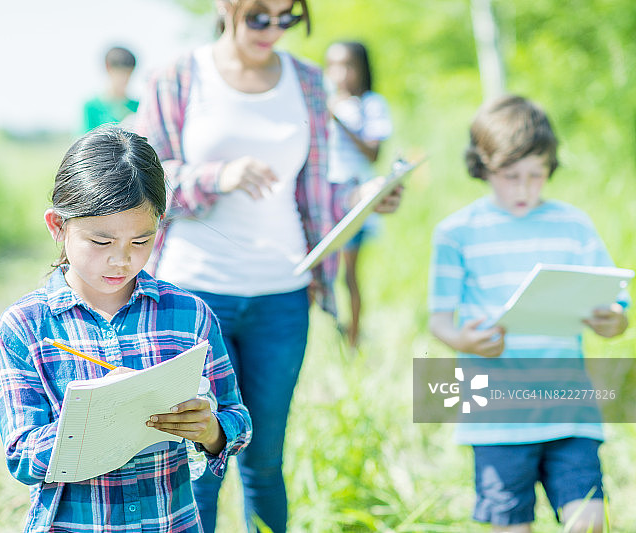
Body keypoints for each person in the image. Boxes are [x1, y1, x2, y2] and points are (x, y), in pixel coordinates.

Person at [134, 1, 400, 531]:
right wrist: (218, 175)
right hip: (194, 293)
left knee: (264, 458)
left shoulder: (307, 79)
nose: (273, 29)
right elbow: (147, 182)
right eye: (260, 16)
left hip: (283, 294)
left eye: (287, 18)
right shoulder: (178, 77)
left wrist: (364, 195)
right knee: (196, 461)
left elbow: (318, 187)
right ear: (226, 7)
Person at [0, 126, 251, 532]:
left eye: (140, 241)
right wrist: (94, 420)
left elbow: (237, 418)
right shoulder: (25, 327)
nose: (121, 260)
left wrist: (212, 430)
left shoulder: (189, 316)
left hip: (171, 521)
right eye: (100, 241)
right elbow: (21, 455)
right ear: (58, 226)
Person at [428, 94, 629, 533]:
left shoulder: (573, 224)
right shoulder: (457, 233)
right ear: (482, 167)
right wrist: (463, 340)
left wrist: (614, 319)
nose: (523, 189)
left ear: (550, 167)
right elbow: (439, 320)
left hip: (569, 410)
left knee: (590, 521)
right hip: (496, 418)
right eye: (510, 176)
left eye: (536, 175)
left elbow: (615, 302)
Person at [324, 40, 393, 347]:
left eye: (348, 65)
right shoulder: (325, 100)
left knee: (348, 274)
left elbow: (373, 153)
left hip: (356, 199)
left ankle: (353, 339)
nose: (341, 73)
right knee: (320, 273)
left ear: (362, 68)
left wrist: (338, 120)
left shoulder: (370, 104)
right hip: (324, 200)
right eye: (334, 66)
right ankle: (336, 330)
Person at [82, 46, 139, 131]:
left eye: (128, 73)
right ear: (108, 67)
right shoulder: (91, 107)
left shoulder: (138, 107)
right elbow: (83, 142)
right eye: (120, 73)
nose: (124, 79)